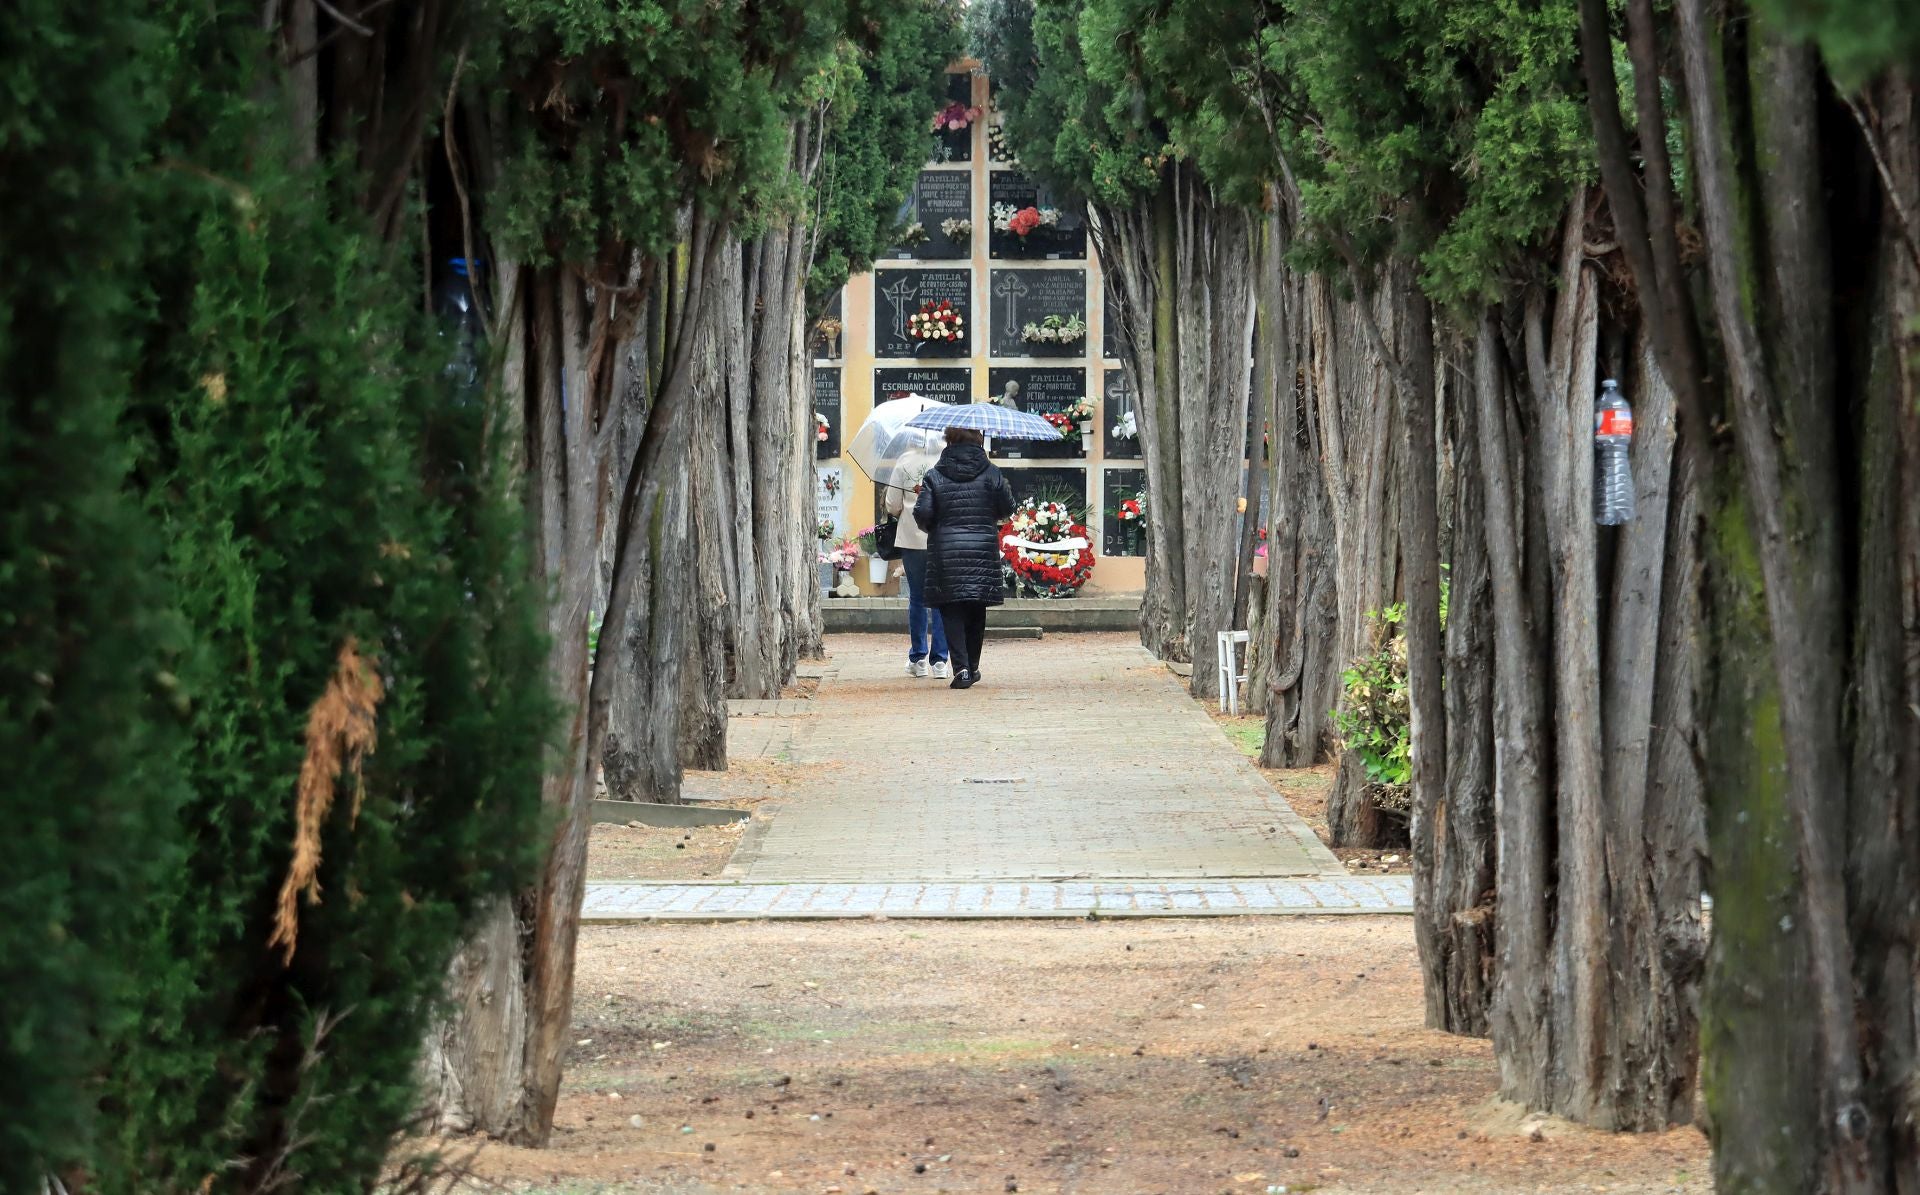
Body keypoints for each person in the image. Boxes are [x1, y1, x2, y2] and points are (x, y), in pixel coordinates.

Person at [913, 426, 1016, 690]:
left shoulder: (934, 475)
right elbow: (1007, 508)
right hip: (982, 548)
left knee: (952, 608)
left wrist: (936, 527)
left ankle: (961, 669)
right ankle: (973, 665)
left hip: (947, 550)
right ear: (978, 439)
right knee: (976, 607)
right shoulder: (991, 472)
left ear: (949, 440)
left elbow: (923, 513)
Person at [886, 472, 950, 678]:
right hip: (941, 536)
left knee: (917, 597)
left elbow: (893, 504)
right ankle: (940, 660)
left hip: (912, 538)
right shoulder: (944, 460)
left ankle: (918, 657)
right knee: (941, 597)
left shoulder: (904, 462)